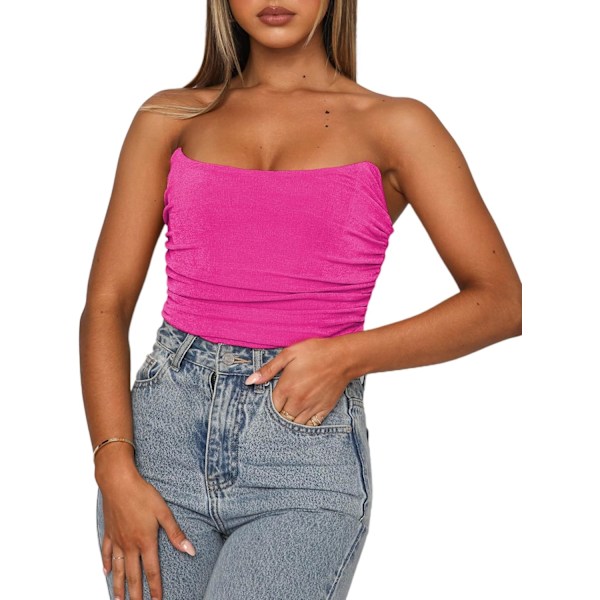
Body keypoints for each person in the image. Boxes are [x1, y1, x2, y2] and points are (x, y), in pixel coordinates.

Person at [79, 1, 522, 599]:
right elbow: (106, 304)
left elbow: (502, 300)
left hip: (302, 450)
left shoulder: (397, 125)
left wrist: (346, 357)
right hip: (161, 443)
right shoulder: (171, 116)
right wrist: (112, 464)